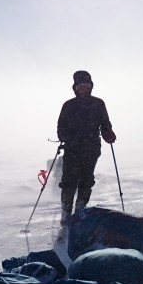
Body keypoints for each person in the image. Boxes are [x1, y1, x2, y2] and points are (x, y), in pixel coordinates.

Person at [57, 70, 116, 225]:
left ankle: (80, 211)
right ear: (75, 88)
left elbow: (105, 124)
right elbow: (60, 127)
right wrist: (66, 138)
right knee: (69, 181)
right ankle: (65, 212)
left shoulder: (98, 103)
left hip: (91, 149)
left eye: (86, 86)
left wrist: (108, 133)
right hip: (72, 149)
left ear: (91, 86)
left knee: (86, 180)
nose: (83, 89)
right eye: (80, 87)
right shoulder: (68, 106)